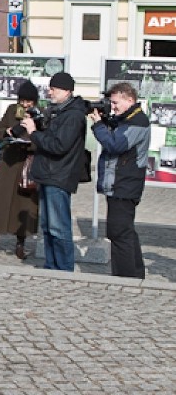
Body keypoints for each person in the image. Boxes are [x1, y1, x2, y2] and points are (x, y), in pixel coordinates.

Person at [21, 71, 88, 272]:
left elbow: (59, 146)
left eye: (54, 89)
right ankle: (52, 266)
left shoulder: (73, 115)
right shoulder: (58, 111)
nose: (49, 92)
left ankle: (64, 268)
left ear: (67, 91)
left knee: (59, 228)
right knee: (48, 227)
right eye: (50, 88)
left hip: (59, 175)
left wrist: (33, 133)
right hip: (48, 173)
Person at [91, 82, 151, 278]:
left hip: (124, 185)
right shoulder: (126, 120)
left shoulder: (138, 122)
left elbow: (116, 145)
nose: (113, 107)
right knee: (125, 231)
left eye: (116, 103)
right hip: (120, 184)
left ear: (129, 100)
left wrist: (99, 126)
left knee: (118, 233)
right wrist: (107, 121)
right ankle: (135, 274)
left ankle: (125, 278)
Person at [0, 80, 40, 259]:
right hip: (9, 163)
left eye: (29, 101)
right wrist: (9, 131)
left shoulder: (41, 114)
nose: (25, 104)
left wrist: (32, 133)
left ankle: (20, 244)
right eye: (23, 101)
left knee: (24, 204)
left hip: (27, 163)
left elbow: (43, 139)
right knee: (0, 202)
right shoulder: (11, 110)